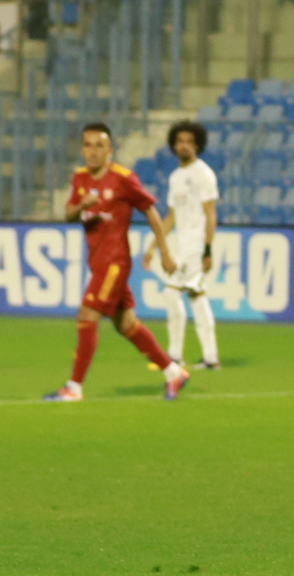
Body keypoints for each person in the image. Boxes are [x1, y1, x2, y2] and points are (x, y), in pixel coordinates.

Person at [43, 123, 190, 402]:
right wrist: (82, 206)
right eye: (88, 145)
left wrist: (165, 251)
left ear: (110, 149)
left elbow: (151, 212)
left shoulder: (123, 178)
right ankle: (174, 373)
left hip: (115, 262)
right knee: (126, 325)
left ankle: (74, 387)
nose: (93, 151)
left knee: (87, 315)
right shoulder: (80, 178)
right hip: (97, 263)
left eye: (100, 145)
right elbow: (68, 215)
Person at [142, 120, 221, 370]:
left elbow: (211, 213)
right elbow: (172, 217)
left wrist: (208, 249)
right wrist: (154, 245)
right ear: (174, 145)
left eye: (189, 142)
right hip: (182, 244)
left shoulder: (204, 174)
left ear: (197, 145)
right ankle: (210, 358)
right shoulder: (176, 177)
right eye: (180, 142)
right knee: (197, 298)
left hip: (196, 247)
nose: (184, 146)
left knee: (171, 292)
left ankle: (174, 356)